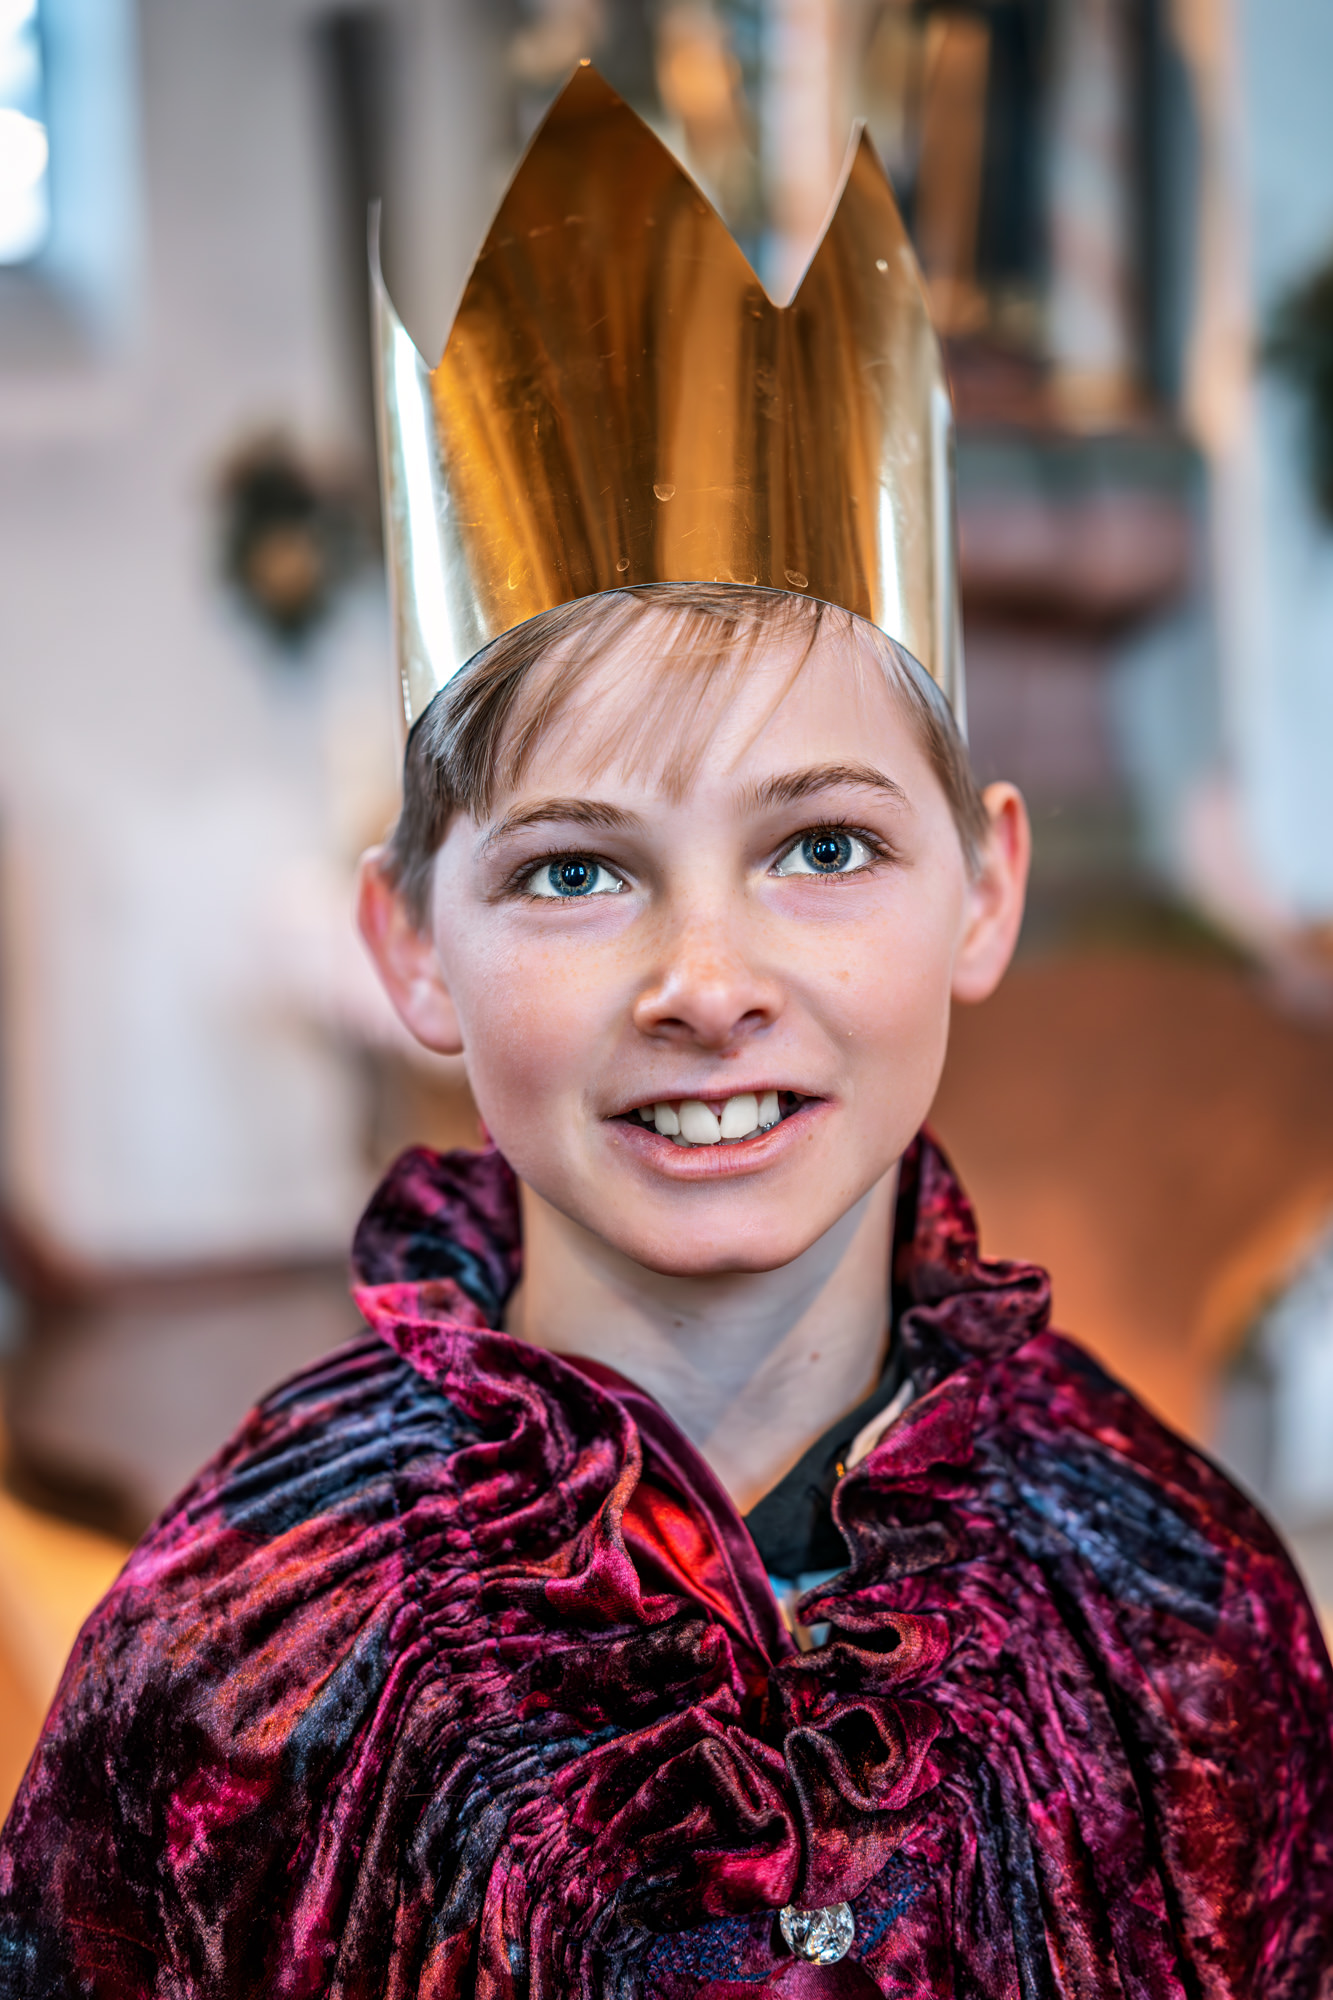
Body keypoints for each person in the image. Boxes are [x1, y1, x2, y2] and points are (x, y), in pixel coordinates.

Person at [2, 64, 1331, 2000]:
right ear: (411, 947)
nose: (706, 980)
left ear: (982, 890)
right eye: (573, 871)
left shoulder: (1183, 1622)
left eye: (821, 846)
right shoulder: (234, 1661)